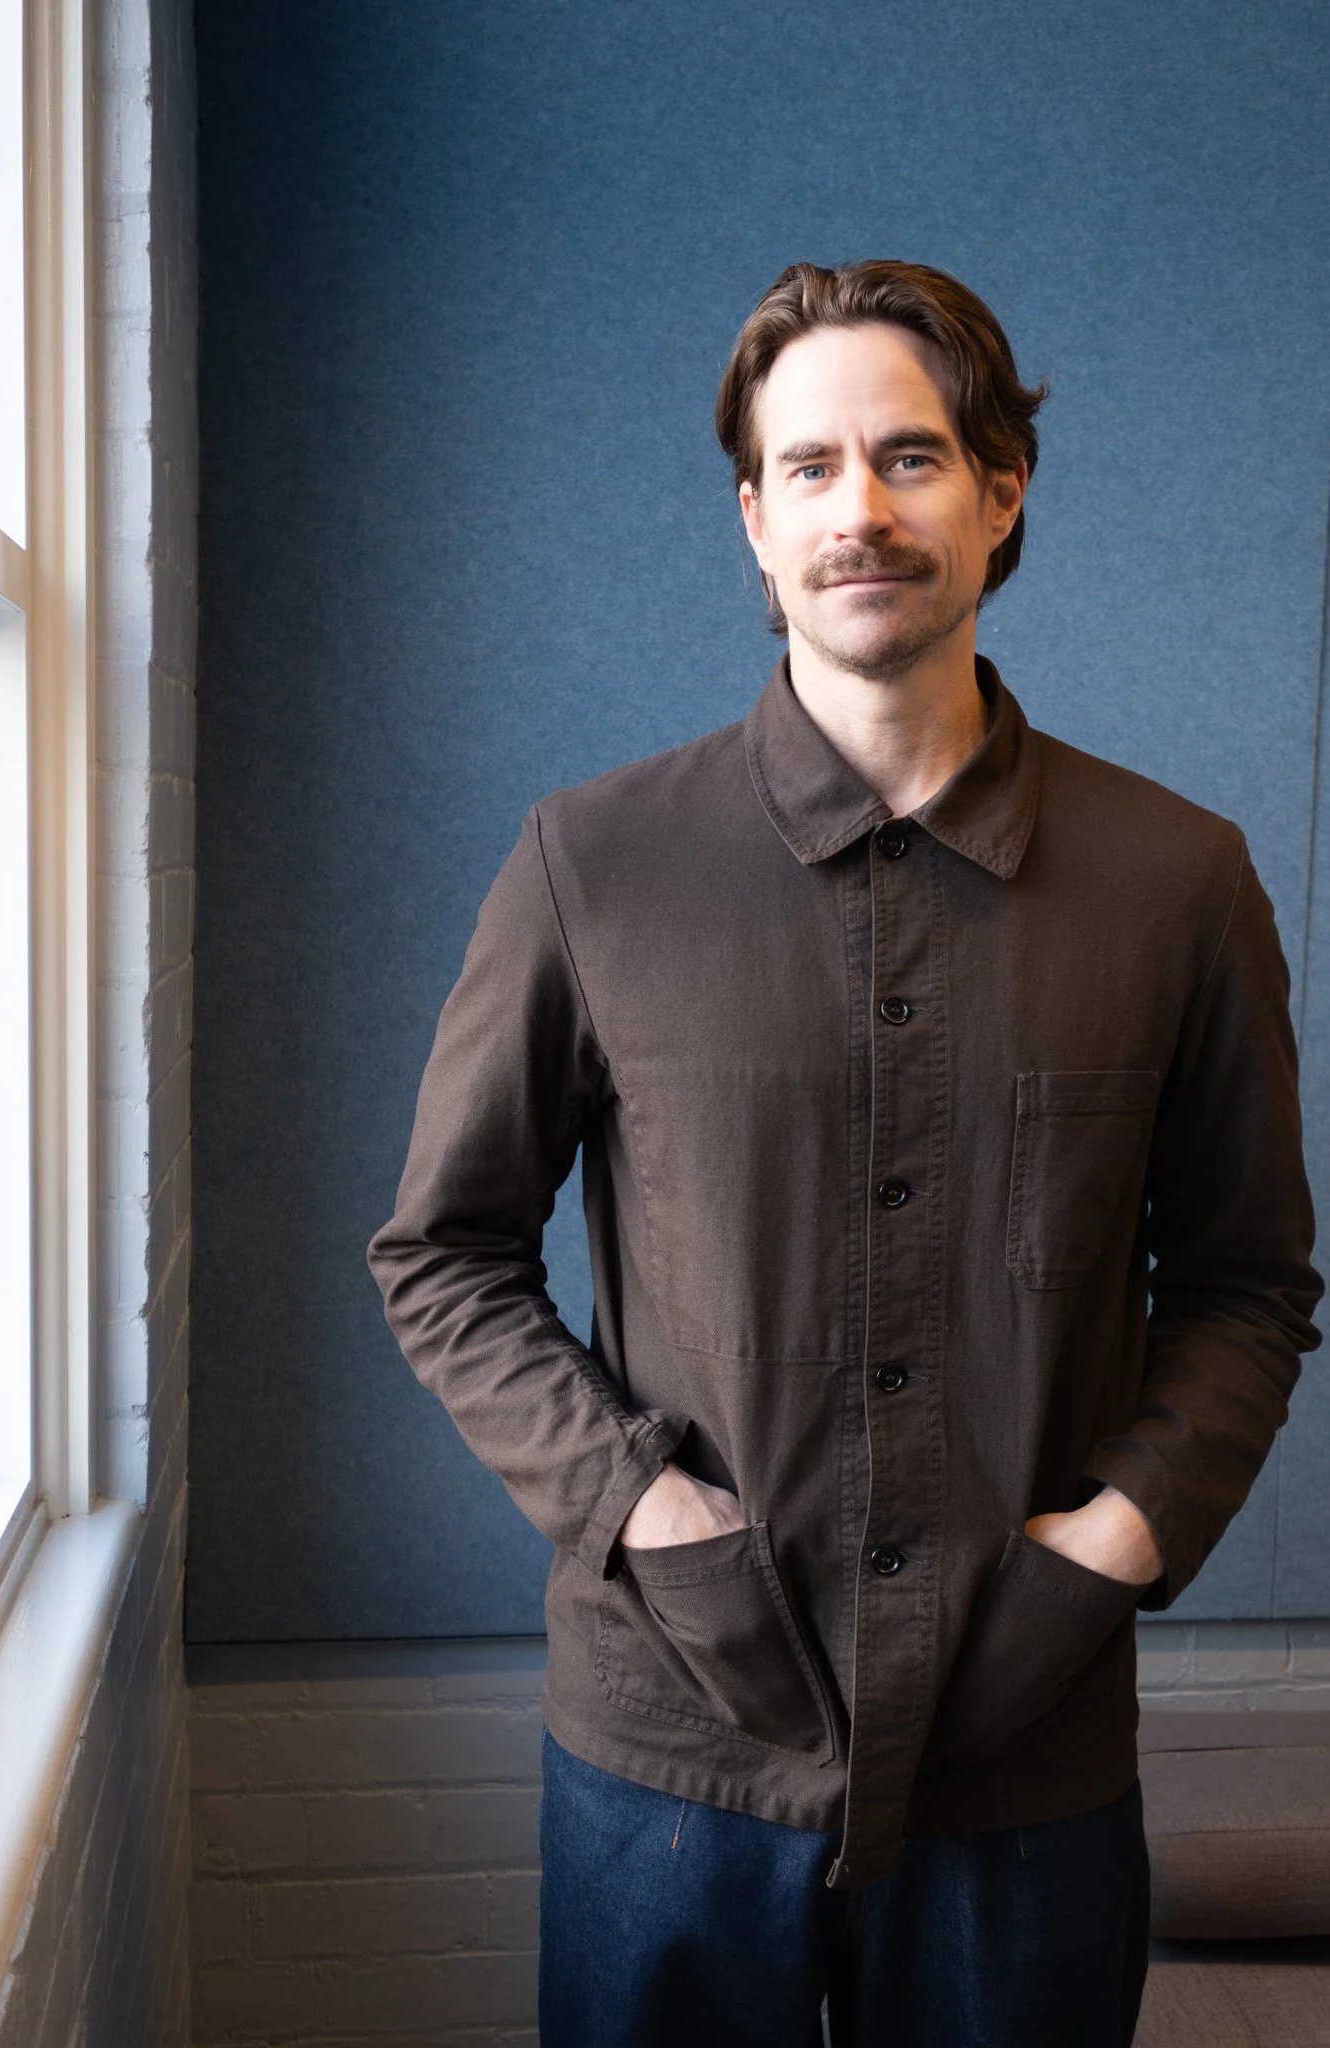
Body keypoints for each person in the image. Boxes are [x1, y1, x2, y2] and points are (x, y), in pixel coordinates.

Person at [367, 260, 1323, 2047]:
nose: (859, 510)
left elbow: (1252, 1285)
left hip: (1022, 1753)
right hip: (670, 1754)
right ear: (751, 517)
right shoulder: (593, 864)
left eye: (910, 456)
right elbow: (443, 1257)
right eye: (807, 468)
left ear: (1002, 490)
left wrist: (1119, 1534)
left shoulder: (1180, 883)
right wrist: (643, 1511)